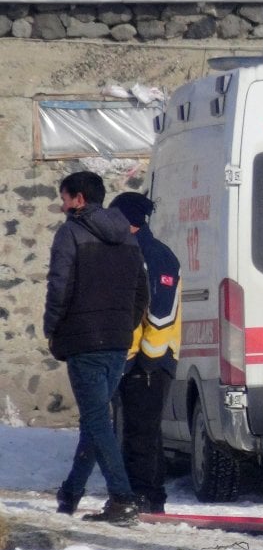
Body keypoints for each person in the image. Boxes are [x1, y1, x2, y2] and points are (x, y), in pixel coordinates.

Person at [45, 171, 149, 524]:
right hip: (117, 341)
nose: (61, 205)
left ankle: (122, 496)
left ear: (78, 199)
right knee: (96, 421)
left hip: (84, 339)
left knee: (96, 420)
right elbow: (142, 291)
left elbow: (59, 287)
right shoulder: (128, 237)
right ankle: (71, 493)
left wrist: (52, 327)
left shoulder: (69, 233)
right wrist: (124, 324)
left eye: (63, 197)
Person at [107, 192, 182, 515]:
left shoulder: (155, 254)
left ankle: (145, 497)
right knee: (134, 432)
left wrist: (149, 359)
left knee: (142, 434)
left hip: (150, 361)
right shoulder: (124, 252)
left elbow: (161, 312)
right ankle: (141, 496)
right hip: (128, 358)